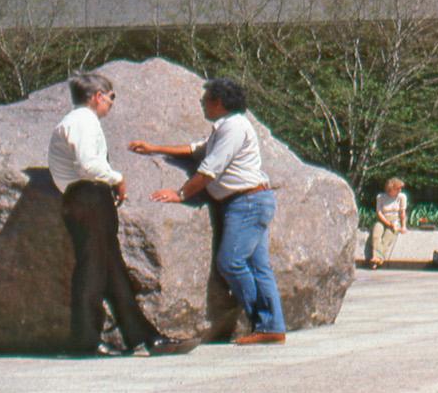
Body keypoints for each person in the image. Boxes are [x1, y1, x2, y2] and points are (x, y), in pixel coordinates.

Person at [129, 78, 287, 345]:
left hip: (247, 202)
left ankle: (264, 324)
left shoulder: (234, 128)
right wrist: (155, 148)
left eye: (205, 100)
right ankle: (272, 327)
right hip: (250, 201)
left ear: (218, 102)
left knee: (231, 262)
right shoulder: (225, 127)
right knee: (259, 267)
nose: (202, 104)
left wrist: (179, 195)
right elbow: (197, 149)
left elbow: (209, 169)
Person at [47, 72, 189, 358]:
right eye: (111, 98)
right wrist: (117, 178)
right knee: (93, 270)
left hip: (86, 198)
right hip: (88, 195)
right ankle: (85, 340)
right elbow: (88, 165)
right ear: (98, 96)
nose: (111, 104)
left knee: (112, 271)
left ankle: (143, 337)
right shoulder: (83, 121)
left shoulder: (76, 122)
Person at [367, 178, 408, 270]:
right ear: (391, 188)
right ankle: (376, 257)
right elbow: (379, 213)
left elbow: (402, 212)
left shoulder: (402, 197)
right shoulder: (381, 197)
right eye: (397, 188)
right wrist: (388, 223)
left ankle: (378, 258)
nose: (399, 190)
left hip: (395, 219)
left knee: (388, 236)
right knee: (376, 234)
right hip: (383, 219)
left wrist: (403, 226)